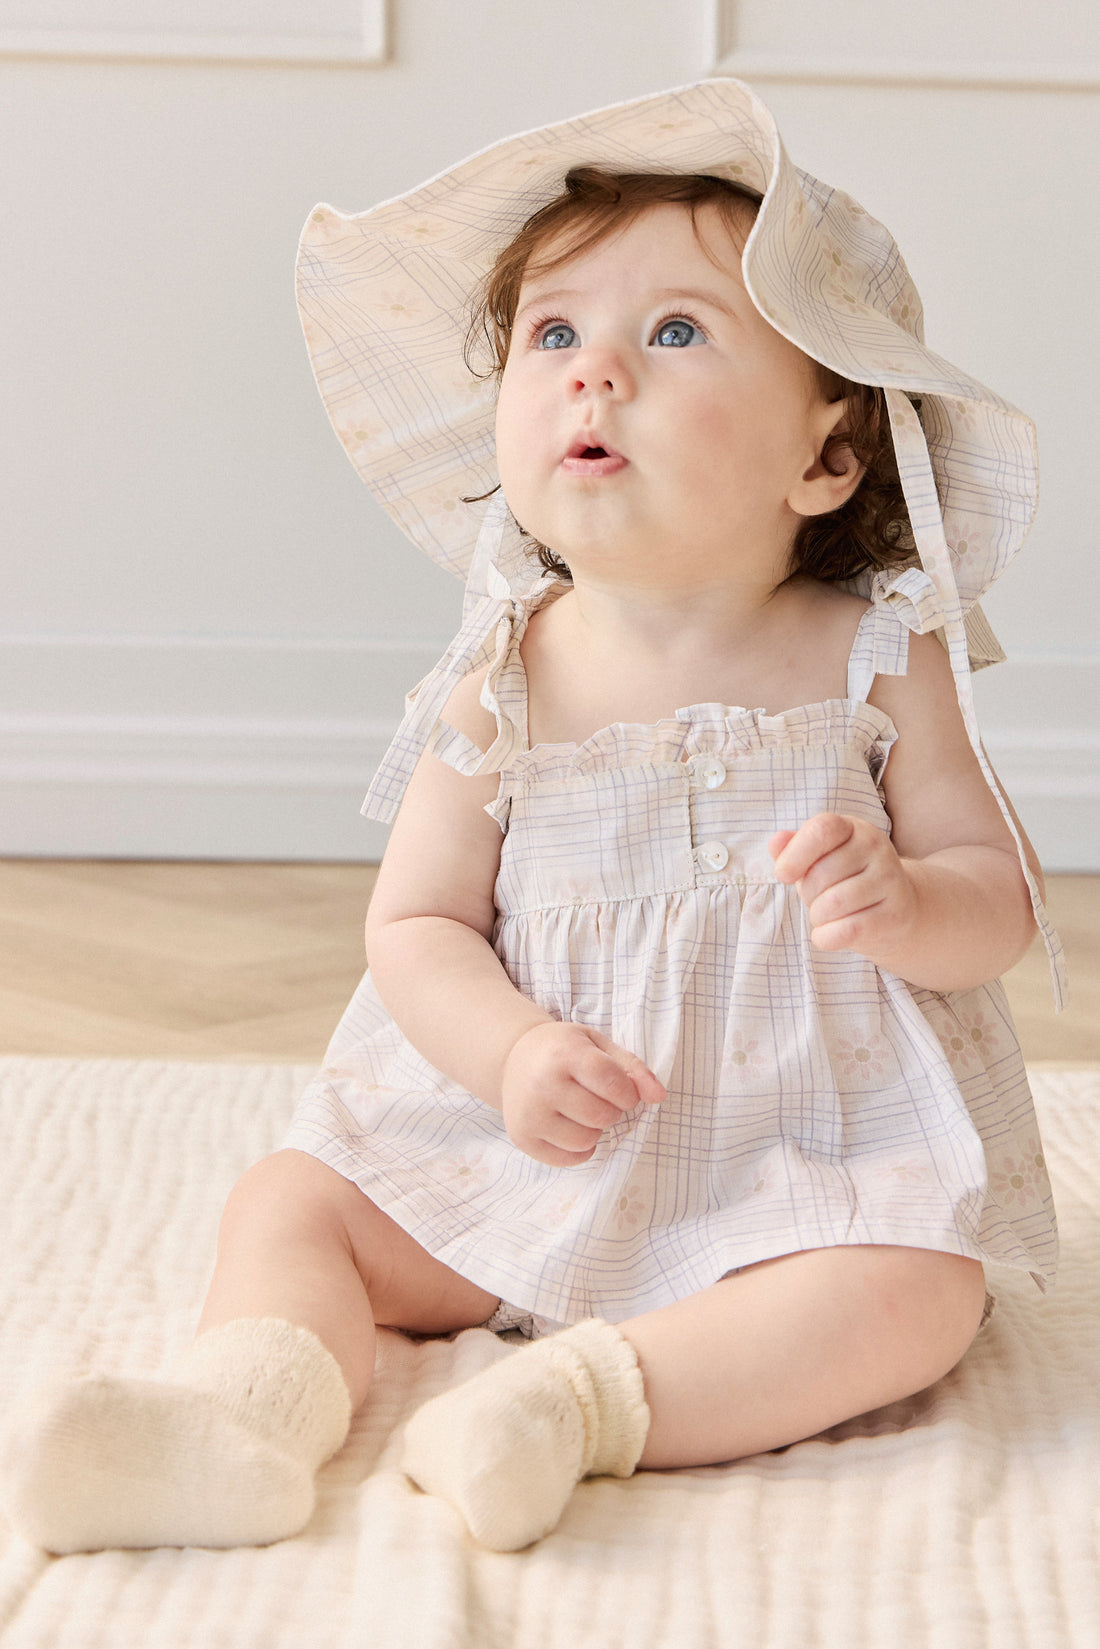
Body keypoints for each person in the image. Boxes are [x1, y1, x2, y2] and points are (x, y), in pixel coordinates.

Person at [3, 80, 1065, 1557]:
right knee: (295, 1197)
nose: (593, 374)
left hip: (792, 1156)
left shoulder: (878, 657)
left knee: (921, 1287)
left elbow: (996, 901)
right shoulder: (504, 674)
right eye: (553, 334)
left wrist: (907, 898)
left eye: (676, 332)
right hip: (528, 1145)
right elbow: (416, 923)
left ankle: (570, 1407)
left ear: (827, 456)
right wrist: (508, 1053)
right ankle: (243, 1412)